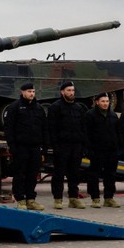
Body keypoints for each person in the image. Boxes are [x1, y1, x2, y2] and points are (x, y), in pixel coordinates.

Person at [4, 82, 48, 211]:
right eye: (29, 92)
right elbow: (9, 129)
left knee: (33, 174)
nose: (32, 94)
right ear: (22, 92)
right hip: (21, 147)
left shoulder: (39, 108)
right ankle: (20, 199)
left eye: (33, 92)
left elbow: (44, 128)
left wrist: (44, 146)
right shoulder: (14, 107)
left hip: (35, 147)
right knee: (20, 174)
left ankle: (30, 199)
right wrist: (12, 146)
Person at [48, 81, 87, 209]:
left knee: (74, 174)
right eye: (68, 90)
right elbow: (51, 128)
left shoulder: (79, 108)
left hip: (76, 145)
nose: (71, 93)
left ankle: (73, 198)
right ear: (62, 92)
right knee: (59, 174)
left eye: (72, 90)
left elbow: (83, 127)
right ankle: (58, 199)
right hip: (62, 146)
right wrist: (54, 146)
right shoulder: (55, 107)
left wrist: (82, 144)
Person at [84, 92, 121, 208]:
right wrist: (88, 149)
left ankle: (109, 198)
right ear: (97, 102)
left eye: (107, 101)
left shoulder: (113, 115)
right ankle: (95, 198)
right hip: (96, 150)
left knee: (110, 174)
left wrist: (118, 149)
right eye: (103, 101)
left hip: (111, 151)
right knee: (94, 175)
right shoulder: (90, 115)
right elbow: (86, 134)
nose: (105, 104)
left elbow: (118, 133)